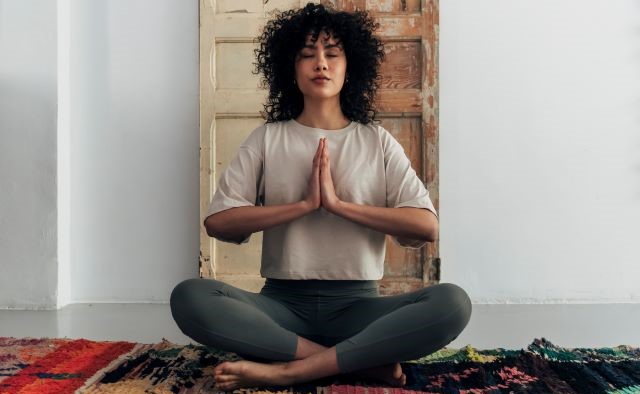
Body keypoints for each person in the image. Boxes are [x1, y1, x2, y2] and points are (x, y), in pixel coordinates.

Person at [170, 2, 472, 390]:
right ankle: (355, 361)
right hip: (280, 309)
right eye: (307, 55)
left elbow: (425, 226)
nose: (321, 64)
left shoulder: (375, 140)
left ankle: (291, 369)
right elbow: (219, 223)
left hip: (359, 309)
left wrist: (340, 207)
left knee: (453, 303)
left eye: (332, 54)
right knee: (190, 296)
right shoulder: (268, 138)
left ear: (351, 66)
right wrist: (303, 206)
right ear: (290, 69)